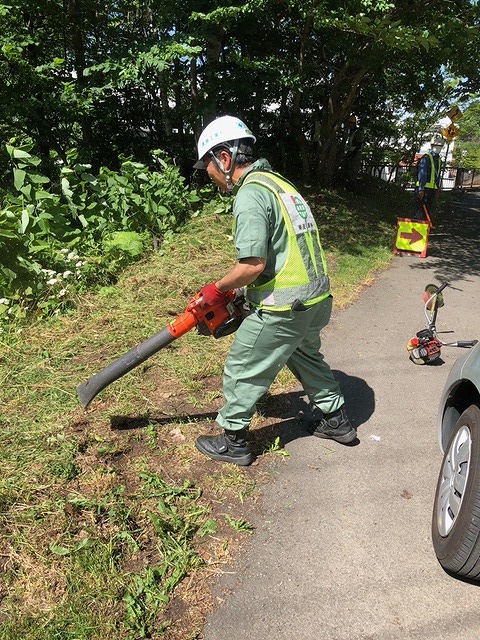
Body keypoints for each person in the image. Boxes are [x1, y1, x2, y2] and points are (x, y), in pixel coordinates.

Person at [192, 115, 356, 466]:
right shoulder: (280, 185)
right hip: (315, 301)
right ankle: (337, 421)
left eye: (210, 166)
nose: (211, 177)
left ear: (224, 158)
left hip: (284, 307)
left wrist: (218, 289)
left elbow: (252, 265)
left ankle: (233, 441)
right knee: (304, 355)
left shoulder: (250, 194)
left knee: (242, 366)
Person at [413, 134, 443, 220]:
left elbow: (437, 176)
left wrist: (437, 188)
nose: (438, 148)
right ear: (432, 145)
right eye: (437, 146)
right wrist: (421, 189)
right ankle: (416, 232)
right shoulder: (426, 158)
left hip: (431, 190)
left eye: (440, 146)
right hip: (423, 190)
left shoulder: (438, 159)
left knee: (427, 213)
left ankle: (424, 232)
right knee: (419, 213)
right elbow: (422, 174)